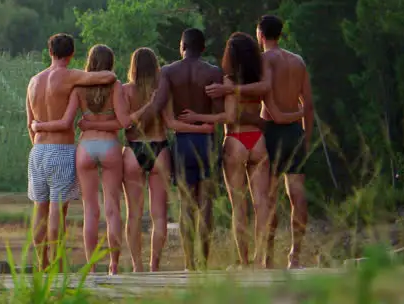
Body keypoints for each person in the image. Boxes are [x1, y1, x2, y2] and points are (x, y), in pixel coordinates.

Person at [204, 15, 312, 269]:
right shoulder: (294, 62)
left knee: (244, 204)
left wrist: (224, 94)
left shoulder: (250, 68)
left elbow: (264, 112)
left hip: (253, 136)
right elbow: (307, 104)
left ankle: (253, 261)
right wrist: (304, 131)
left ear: (261, 34)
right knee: (275, 198)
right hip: (277, 137)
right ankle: (285, 256)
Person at [179, 32, 296, 268]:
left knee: (239, 206)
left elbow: (230, 116)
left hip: (236, 140)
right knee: (261, 202)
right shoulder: (259, 79)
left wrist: (199, 116)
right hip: (258, 141)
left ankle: (244, 261)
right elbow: (265, 91)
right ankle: (265, 259)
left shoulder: (229, 80)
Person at [32, 45, 130, 274]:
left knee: (90, 210)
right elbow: (124, 122)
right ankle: (114, 265)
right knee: (113, 209)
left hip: (85, 147)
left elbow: (71, 120)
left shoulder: (78, 88)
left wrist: (89, 124)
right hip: (109, 146)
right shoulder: (114, 85)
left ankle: (92, 266)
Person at [133, 28, 219, 271]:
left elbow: (158, 103)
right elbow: (219, 112)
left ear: (182, 47)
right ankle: (203, 262)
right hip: (207, 142)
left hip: (182, 144)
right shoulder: (213, 72)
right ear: (203, 48)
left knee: (185, 205)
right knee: (206, 205)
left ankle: (189, 263)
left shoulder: (169, 71)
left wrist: (136, 125)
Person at [121, 47, 172, 272]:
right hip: (160, 148)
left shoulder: (125, 91)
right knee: (159, 215)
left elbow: (125, 123)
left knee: (133, 214)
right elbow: (170, 122)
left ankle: (136, 265)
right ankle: (154, 266)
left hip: (133, 150)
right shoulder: (162, 91)